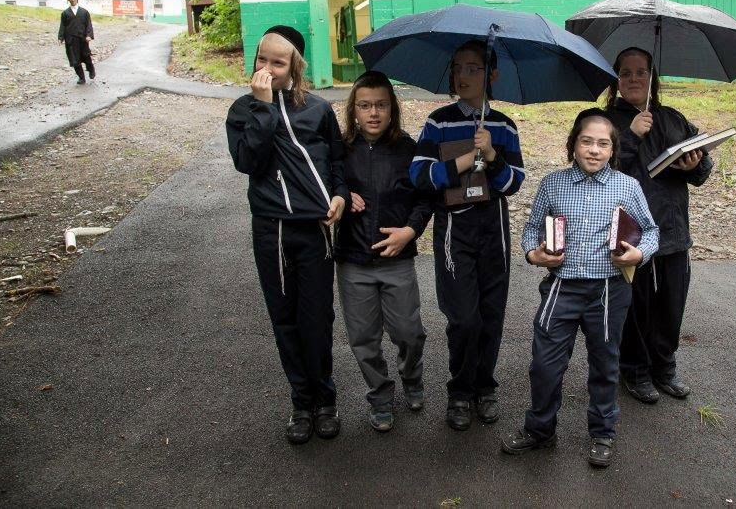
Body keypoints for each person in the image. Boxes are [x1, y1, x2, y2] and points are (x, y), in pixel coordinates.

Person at [502, 109, 659, 468]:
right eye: (586, 141)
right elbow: (530, 230)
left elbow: (651, 232)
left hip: (608, 291)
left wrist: (639, 253)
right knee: (544, 364)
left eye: (603, 143)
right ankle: (540, 429)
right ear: (573, 144)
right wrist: (534, 253)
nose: (594, 150)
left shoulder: (627, 186)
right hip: (562, 287)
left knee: (605, 364)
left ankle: (602, 433)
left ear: (612, 149)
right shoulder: (553, 184)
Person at [225, 25, 348, 445]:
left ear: (294, 65)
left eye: (278, 62)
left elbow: (336, 159)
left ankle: (325, 399)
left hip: (314, 229)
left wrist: (341, 195)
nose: (269, 68)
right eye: (263, 59)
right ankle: (301, 401)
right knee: (285, 318)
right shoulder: (243, 110)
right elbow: (249, 162)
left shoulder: (317, 109)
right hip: (272, 229)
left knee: (317, 318)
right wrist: (263, 109)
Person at [409, 40, 525, 431]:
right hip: (455, 227)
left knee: (491, 314)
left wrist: (492, 156)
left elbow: (513, 184)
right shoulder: (438, 122)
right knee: (463, 318)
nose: (463, 75)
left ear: (491, 75)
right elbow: (419, 175)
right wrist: (461, 161)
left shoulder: (504, 126)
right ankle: (459, 390)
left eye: (474, 68)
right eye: (458, 67)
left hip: (494, 226)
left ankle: (484, 387)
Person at [603, 47, 712, 403]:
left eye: (641, 72)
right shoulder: (604, 122)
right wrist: (631, 135)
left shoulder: (673, 118)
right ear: (616, 80)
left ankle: (664, 366)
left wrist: (693, 164)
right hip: (630, 231)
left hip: (672, 227)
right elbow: (598, 174)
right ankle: (633, 369)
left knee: (670, 303)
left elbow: (701, 171)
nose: (634, 79)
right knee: (636, 305)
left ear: (653, 78)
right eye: (626, 73)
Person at [335, 71, 432, 432]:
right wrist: (343, 191)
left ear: (392, 109)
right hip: (353, 260)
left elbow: (425, 199)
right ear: (353, 111)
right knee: (363, 339)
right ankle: (379, 394)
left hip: (397, 260)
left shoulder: (410, 150)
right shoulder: (341, 150)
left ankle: (411, 375)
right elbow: (326, 180)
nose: (373, 113)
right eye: (364, 106)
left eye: (380, 105)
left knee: (409, 332)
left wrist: (409, 232)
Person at [58, 0, 96, 84]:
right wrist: (60, 37)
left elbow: (89, 25)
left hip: (82, 39)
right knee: (75, 60)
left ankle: (91, 70)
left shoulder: (84, 12)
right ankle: (81, 78)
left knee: (86, 57)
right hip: (71, 40)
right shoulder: (65, 13)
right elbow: (62, 25)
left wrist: (89, 35)